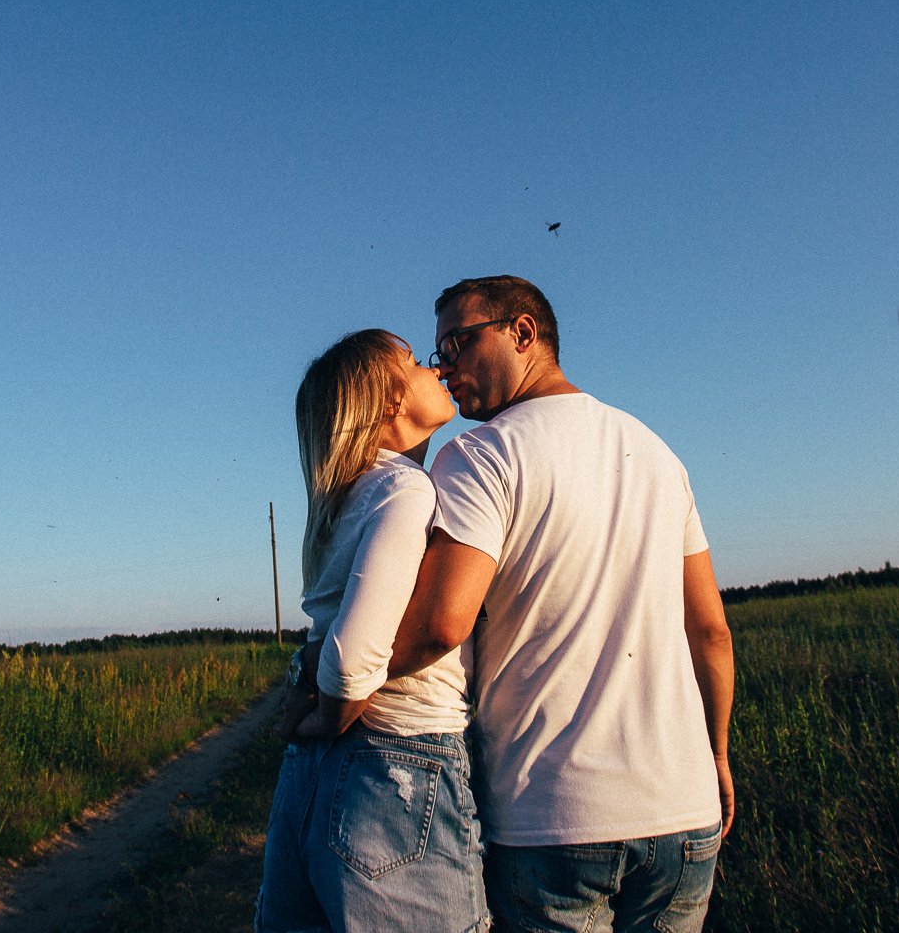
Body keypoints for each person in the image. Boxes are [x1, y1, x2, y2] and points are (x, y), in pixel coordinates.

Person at [389, 276, 735, 933]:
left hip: (553, 822)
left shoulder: (482, 455)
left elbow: (440, 625)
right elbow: (711, 632)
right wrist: (717, 755)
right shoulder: (660, 455)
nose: (443, 365)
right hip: (687, 819)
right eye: (438, 351)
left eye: (459, 342)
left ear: (523, 332)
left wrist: (331, 675)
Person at [256, 329, 490, 933]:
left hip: (313, 772)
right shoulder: (405, 490)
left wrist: (313, 724)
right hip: (399, 762)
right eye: (414, 361)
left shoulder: (346, 499)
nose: (436, 368)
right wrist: (331, 714)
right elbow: (353, 655)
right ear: (388, 400)